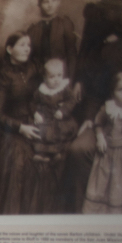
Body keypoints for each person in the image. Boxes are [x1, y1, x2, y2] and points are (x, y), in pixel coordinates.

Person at [65, 0, 122, 211]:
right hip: (101, 94)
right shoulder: (95, 11)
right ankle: (85, 213)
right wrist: (79, 79)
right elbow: (87, 49)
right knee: (79, 150)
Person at [0, 33, 41, 215]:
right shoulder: (3, 75)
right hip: (10, 129)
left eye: (28, 44)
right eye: (21, 45)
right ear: (9, 49)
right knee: (19, 161)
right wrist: (21, 128)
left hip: (33, 120)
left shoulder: (34, 68)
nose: (27, 48)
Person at [24, 57, 79, 213]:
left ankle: (57, 154)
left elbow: (71, 101)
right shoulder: (41, 90)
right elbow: (33, 103)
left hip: (60, 119)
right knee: (42, 133)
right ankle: (43, 154)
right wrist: (36, 113)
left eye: (59, 76)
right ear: (45, 77)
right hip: (46, 119)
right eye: (51, 77)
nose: (55, 80)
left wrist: (63, 110)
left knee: (60, 135)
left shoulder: (64, 88)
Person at [84, 70, 122, 214]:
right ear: (112, 92)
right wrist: (100, 137)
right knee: (102, 184)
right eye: (120, 89)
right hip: (108, 155)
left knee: (120, 187)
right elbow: (98, 123)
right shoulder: (108, 107)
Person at [25, 0, 78, 83]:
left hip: (61, 75)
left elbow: (71, 54)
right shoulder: (33, 29)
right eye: (46, 2)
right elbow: (30, 58)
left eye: (53, 0)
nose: (50, 5)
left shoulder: (64, 23)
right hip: (39, 76)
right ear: (40, 5)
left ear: (59, 2)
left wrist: (70, 79)